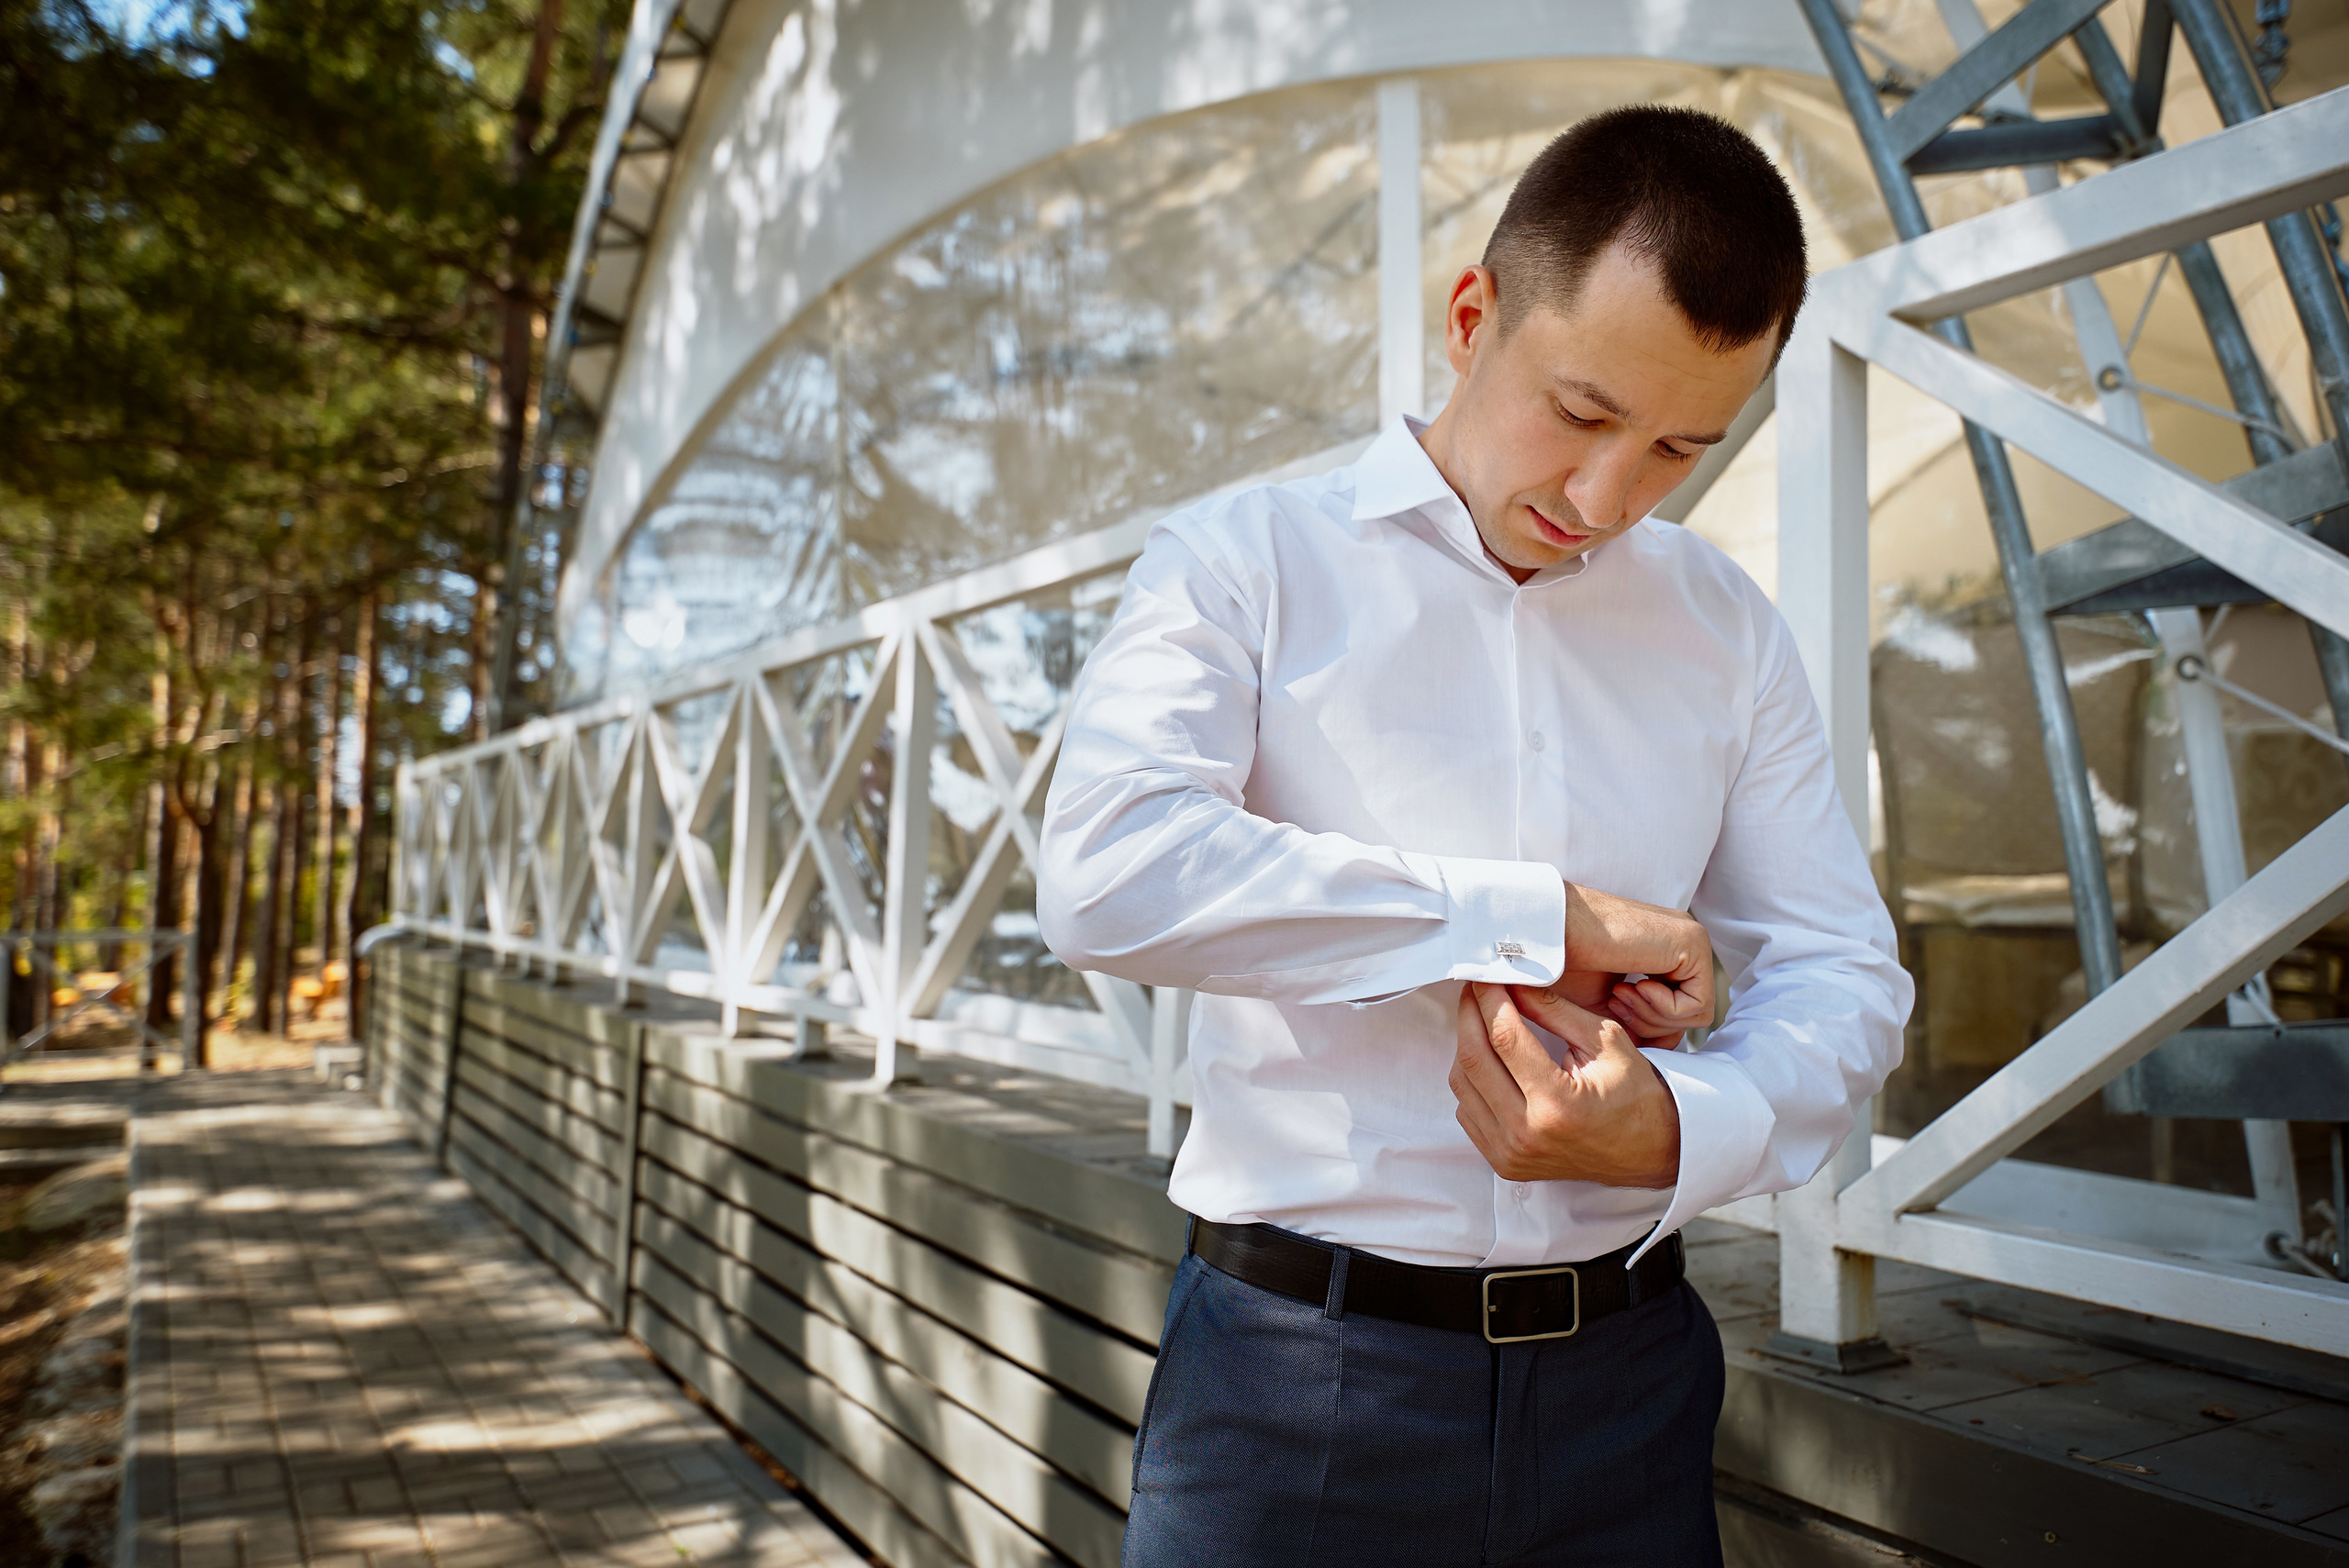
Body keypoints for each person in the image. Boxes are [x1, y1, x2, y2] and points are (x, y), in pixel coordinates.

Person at [1037, 105, 1912, 1567]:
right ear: (1470, 315)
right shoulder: (1247, 564)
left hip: (1631, 1392)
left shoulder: (1723, 628)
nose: (1604, 498)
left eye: (1680, 449)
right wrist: (1534, 918)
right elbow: (1112, 870)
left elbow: (1846, 975)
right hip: (1291, 1391)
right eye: (1579, 414)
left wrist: (1686, 1127)